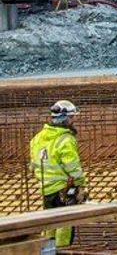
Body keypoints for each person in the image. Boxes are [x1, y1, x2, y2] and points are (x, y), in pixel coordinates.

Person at [29, 100, 86, 248]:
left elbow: (33, 165)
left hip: (46, 188)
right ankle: (62, 250)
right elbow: (72, 166)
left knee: (50, 222)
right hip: (64, 188)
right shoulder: (65, 139)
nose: (73, 120)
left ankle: (47, 250)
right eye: (72, 117)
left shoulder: (37, 138)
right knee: (65, 223)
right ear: (64, 118)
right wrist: (80, 185)